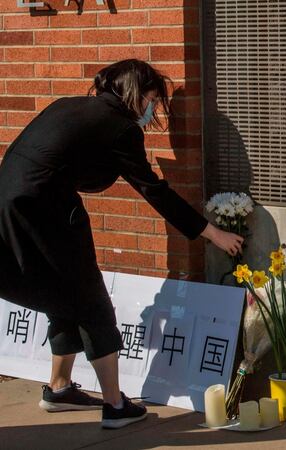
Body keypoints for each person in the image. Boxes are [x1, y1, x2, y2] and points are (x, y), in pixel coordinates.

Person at [0, 60, 244, 429]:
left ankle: (60, 387)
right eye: (151, 100)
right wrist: (213, 232)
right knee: (91, 299)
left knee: (61, 295)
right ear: (138, 94)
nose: (152, 110)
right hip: (43, 212)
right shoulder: (118, 129)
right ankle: (115, 405)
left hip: (10, 202)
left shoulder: (68, 105)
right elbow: (154, 191)